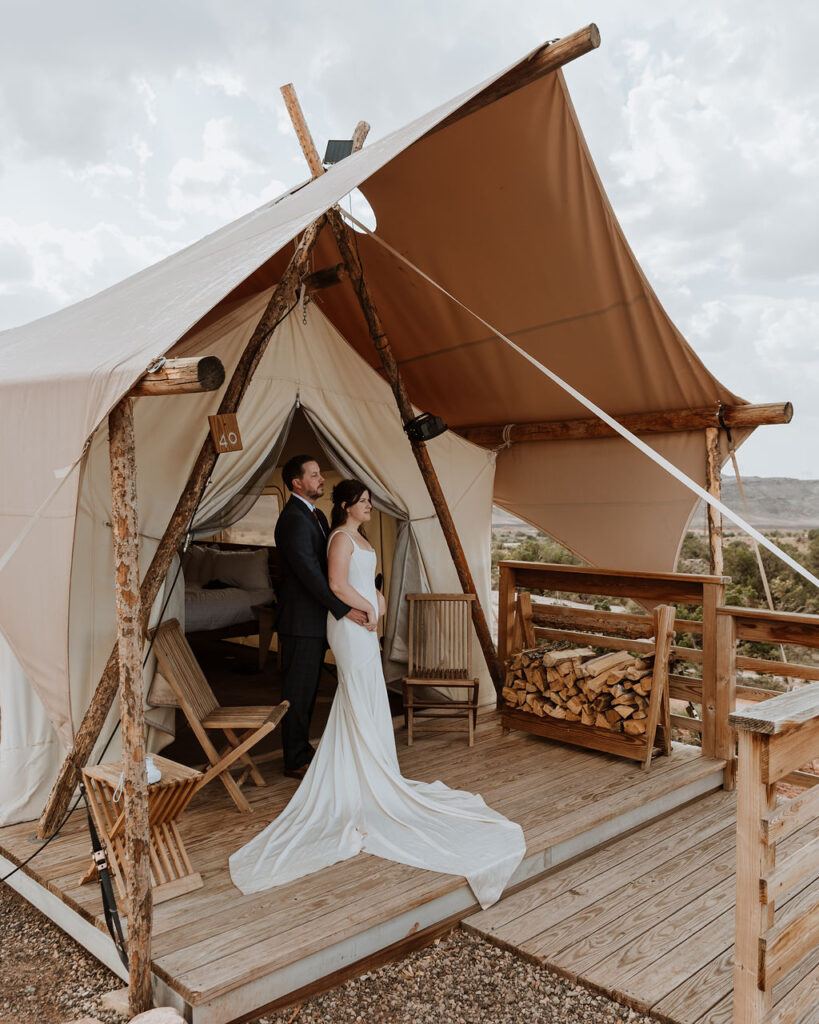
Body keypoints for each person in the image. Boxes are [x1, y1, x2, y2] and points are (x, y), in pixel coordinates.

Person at [230, 478, 526, 910]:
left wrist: (380, 598)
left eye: (370, 501)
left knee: (364, 695)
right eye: (364, 502)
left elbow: (362, 580)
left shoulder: (359, 537)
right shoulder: (339, 537)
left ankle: (375, 769)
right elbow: (335, 584)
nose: (370, 506)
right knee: (358, 692)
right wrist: (367, 608)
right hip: (349, 629)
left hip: (363, 626)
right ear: (347, 505)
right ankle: (363, 780)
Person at [273, 455, 369, 779]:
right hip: (300, 622)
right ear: (296, 482)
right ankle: (295, 759)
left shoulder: (316, 516)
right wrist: (343, 608)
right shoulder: (293, 520)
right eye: (314, 475)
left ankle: (302, 750)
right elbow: (310, 574)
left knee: (308, 689)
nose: (321, 479)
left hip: (315, 620)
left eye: (319, 474)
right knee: (297, 691)